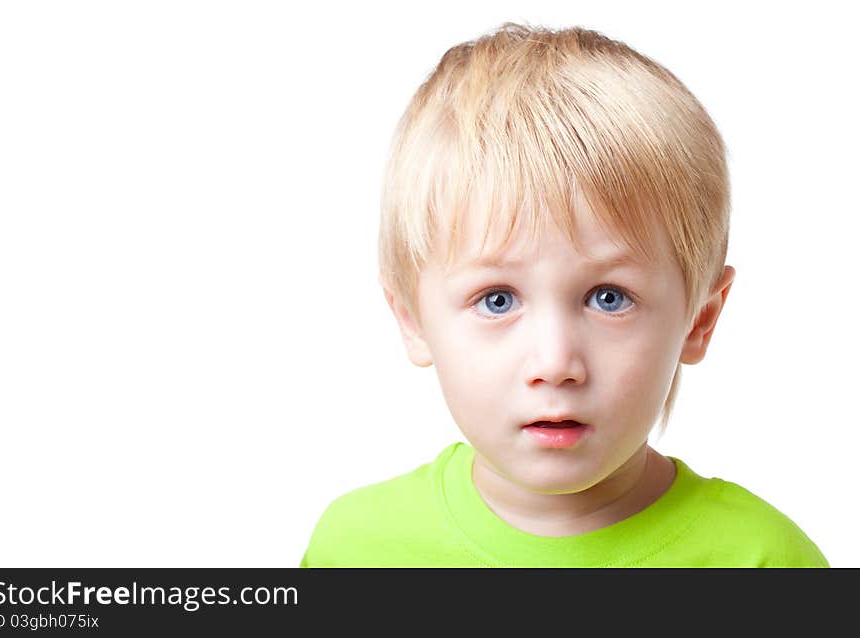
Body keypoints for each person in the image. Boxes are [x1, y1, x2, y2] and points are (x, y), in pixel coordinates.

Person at [300, 22, 828, 567]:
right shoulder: (356, 549)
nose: (555, 365)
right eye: (497, 299)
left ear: (700, 320)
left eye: (608, 297)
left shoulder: (763, 560)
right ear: (412, 320)